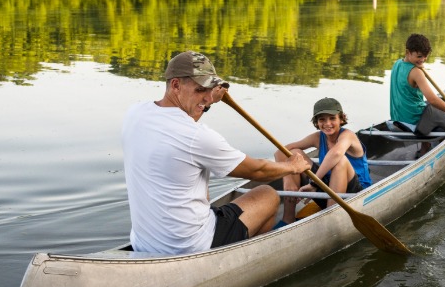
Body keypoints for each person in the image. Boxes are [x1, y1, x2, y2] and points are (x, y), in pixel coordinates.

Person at [123, 50, 311, 255]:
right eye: (200, 89)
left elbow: (182, 130)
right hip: (190, 246)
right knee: (268, 194)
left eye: (210, 89)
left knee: (203, 189)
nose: (208, 97)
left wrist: (205, 103)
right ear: (176, 85)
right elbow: (257, 172)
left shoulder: (136, 113)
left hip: (145, 243)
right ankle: (252, 257)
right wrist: (292, 166)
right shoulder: (197, 137)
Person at [273, 97, 373, 224]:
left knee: (340, 160)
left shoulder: (348, 135)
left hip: (355, 194)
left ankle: (330, 219)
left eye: (332, 118)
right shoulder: (317, 137)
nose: (327, 123)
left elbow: (336, 153)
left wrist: (314, 183)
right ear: (316, 122)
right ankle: (288, 219)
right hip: (327, 189)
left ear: (341, 119)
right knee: (294, 154)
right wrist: (287, 179)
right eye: (322, 119)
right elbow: (280, 152)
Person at [389, 33, 445, 136]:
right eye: (419, 56)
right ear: (408, 52)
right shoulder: (416, 72)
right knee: (442, 113)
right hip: (413, 121)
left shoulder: (397, 64)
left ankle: (424, 148)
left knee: (431, 107)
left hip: (397, 118)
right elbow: (433, 100)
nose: (422, 60)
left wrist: (418, 63)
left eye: (425, 57)